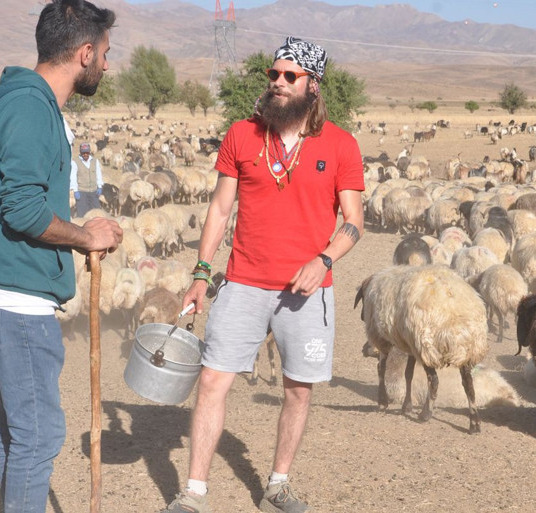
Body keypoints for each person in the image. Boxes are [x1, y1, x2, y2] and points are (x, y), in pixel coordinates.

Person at [162, 36, 364, 513]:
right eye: (273, 74)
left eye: (289, 76)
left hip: (306, 292)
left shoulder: (340, 145)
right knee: (212, 380)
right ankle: (194, 493)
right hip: (243, 283)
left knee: (297, 388)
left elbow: (354, 222)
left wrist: (324, 260)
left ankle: (277, 483)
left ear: (313, 85)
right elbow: (218, 208)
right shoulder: (242, 134)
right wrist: (200, 272)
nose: (277, 82)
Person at [0, 1, 122, 511]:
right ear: (85, 52)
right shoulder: (30, 107)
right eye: (106, 55)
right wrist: (85, 237)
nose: (107, 66)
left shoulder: (13, 98)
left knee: (17, 432)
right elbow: (24, 210)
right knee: (40, 436)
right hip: (15, 300)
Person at [71, 141, 104, 216]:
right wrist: (75, 191)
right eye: (83, 153)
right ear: (80, 152)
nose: (85, 154)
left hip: (94, 192)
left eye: (87, 152)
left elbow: (98, 174)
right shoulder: (75, 162)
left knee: (96, 213)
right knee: (82, 214)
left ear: (89, 152)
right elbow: (73, 177)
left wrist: (100, 186)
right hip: (82, 192)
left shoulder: (95, 161)